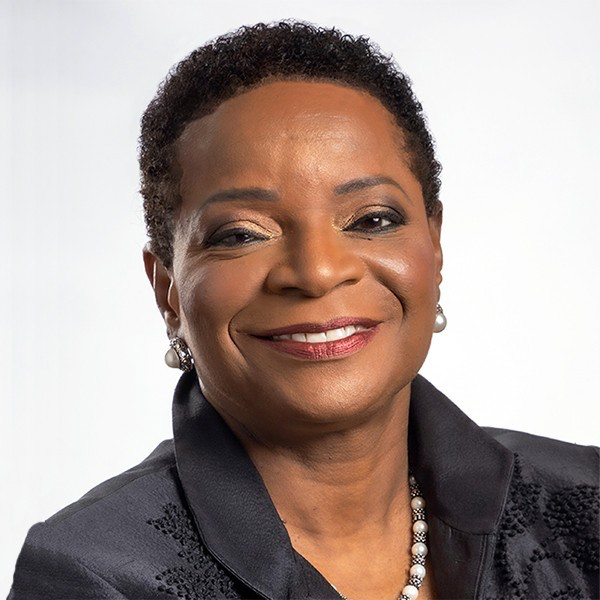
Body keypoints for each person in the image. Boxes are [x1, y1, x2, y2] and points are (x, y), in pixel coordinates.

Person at [8, 21, 598, 600]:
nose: (316, 271)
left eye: (372, 220)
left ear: (434, 247)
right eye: (241, 234)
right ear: (167, 292)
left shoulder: (587, 502)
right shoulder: (92, 576)